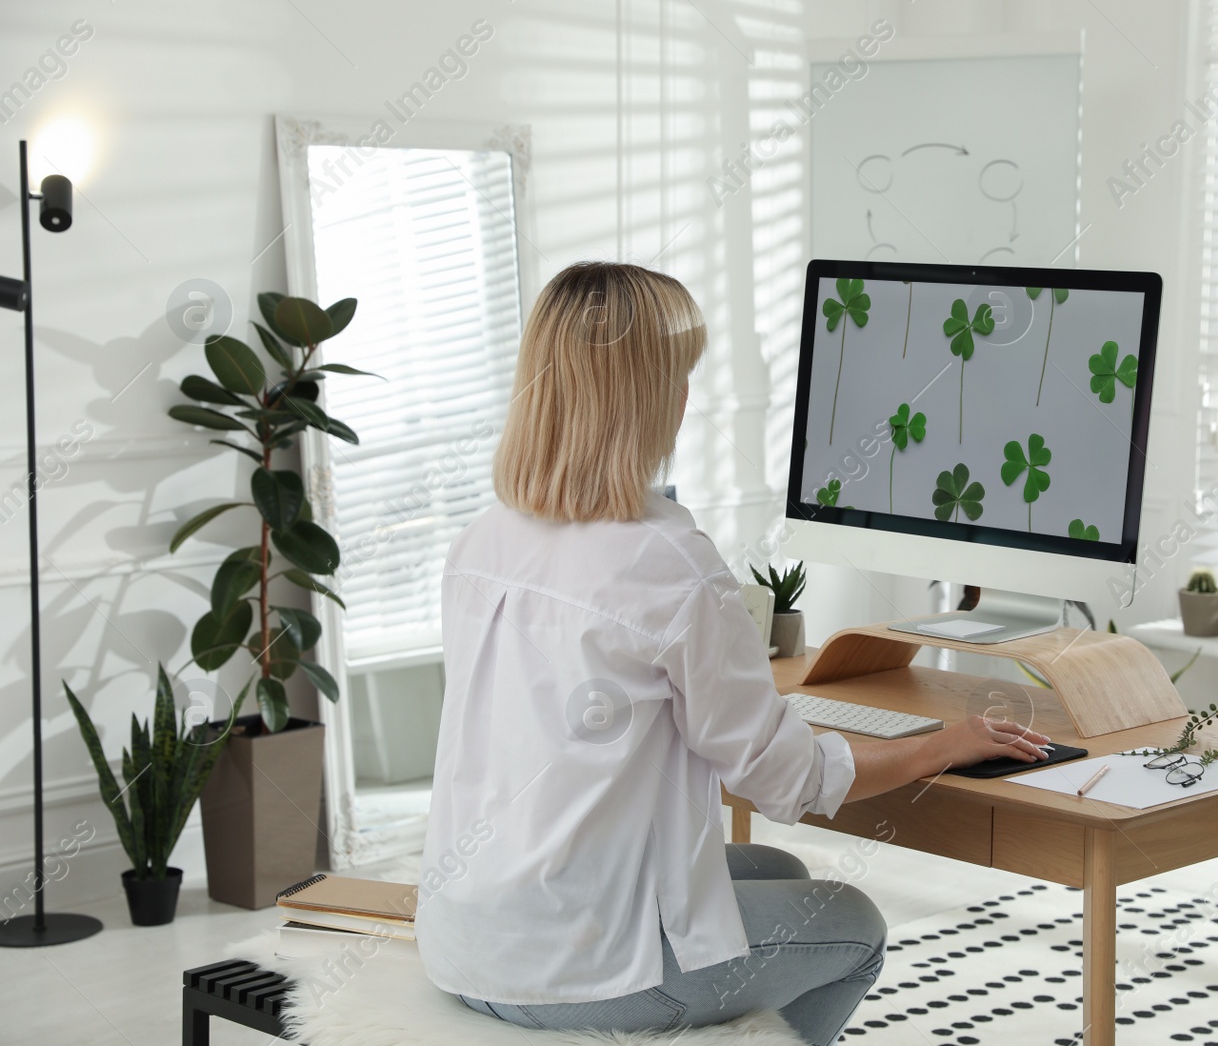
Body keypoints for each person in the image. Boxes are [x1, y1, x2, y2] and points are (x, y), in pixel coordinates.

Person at [415, 261, 1051, 1046]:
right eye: (682, 374)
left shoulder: (484, 537)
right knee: (853, 926)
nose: (688, 394)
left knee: (776, 872)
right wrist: (940, 746)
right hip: (573, 969)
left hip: (465, 931)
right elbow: (783, 774)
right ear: (656, 399)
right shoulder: (666, 561)